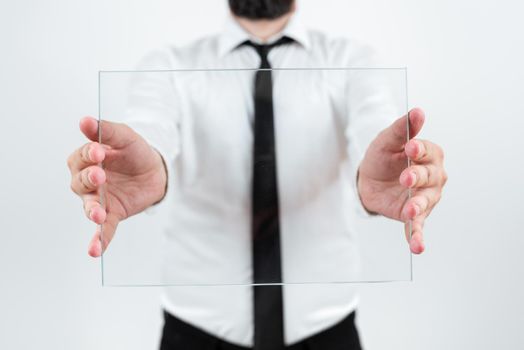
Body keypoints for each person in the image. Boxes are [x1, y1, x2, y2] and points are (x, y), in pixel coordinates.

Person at [67, 1, 447, 349]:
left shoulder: (353, 60)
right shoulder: (167, 64)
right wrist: (149, 165)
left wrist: (384, 171)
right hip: (196, 331)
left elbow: (374, 125)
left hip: (327, 331)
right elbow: (151, 127)